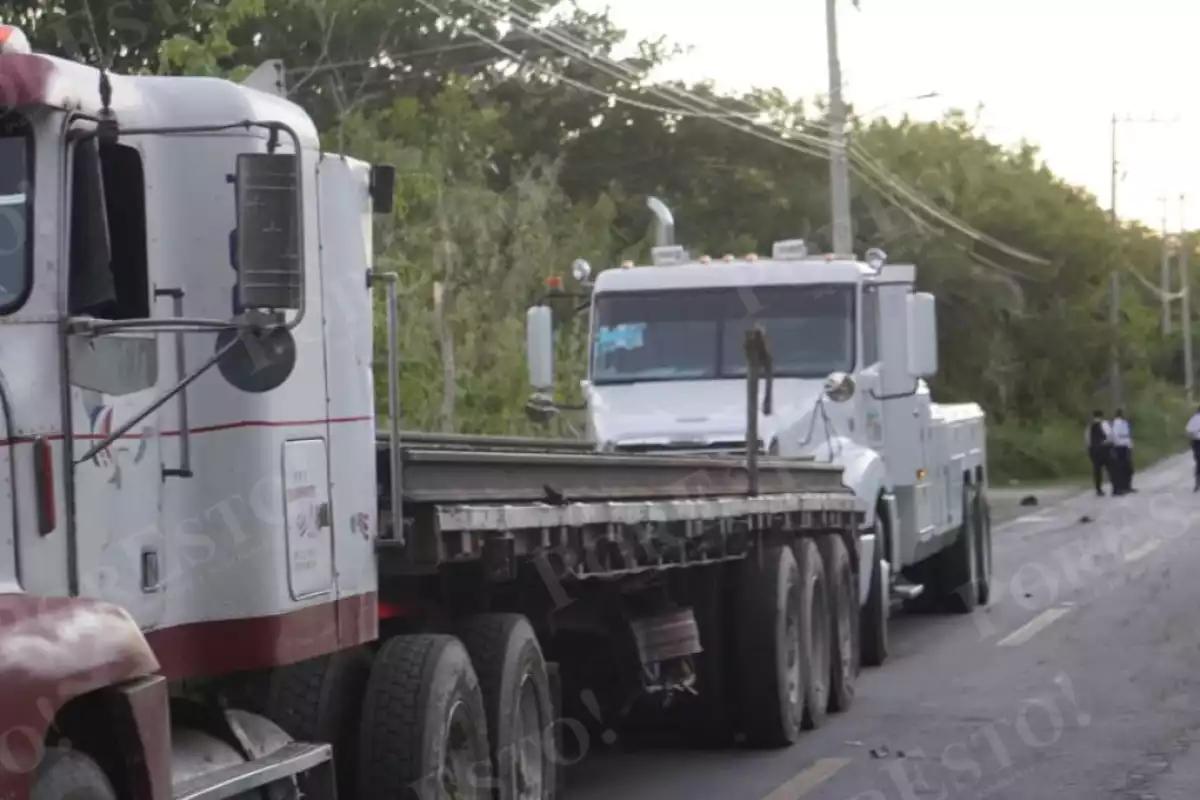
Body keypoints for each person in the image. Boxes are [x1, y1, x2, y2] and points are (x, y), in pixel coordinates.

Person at [1085, 410, 1113, 497]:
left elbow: (1087, 439)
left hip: (1094, 450)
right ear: (1102, 416)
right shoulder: (1104, 424)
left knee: (1097, 470)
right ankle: (1115, 486)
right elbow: (1109, 436)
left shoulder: (1089, 426)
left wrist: (1090, 449)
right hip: (1104, 449)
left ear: (1094, 416)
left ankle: (1098, 489)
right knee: (1110, 468)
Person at [1111, 409, 1134, 495]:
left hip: (1124, 446)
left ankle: (1126, 486)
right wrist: (1117, 445)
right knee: (1122, 468)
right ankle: (1122, 487)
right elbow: (1116, 435)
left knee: (1127, 468)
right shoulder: (1117, 423)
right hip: (1120, 447)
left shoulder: (1124, 423)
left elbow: (1127, 436)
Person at [1186, 406, 1200, 491]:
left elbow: (1188, 432)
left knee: (1198, 462)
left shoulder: (1193, 418)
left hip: (1196, 442)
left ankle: (1197, 483)